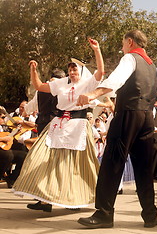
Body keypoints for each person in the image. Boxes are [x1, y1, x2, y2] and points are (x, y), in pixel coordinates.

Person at [77, 30, 157, 229]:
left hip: (128, 114)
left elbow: (117, 80)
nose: (122, 48)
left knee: (112, 162)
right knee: (144, 167)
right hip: (147, 117)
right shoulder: (152, 65)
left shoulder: (130, 58)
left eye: (123, 44)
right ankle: (150, 215)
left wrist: (93, 93)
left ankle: (104, 214)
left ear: (130, 42)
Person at [12, 38, 103, 212]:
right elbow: (38, 85)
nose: (72, 71)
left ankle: (76, 198)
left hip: (78, 126)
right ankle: (45, 198)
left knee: (76, 164)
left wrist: (96, 50)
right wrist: (33, 70)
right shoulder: (60, 83)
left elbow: (101, 71)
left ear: (81, 70)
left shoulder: (87, 82)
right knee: (39, 156)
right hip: (58, 124)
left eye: (74, 68)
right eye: (70, 69)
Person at [0, 107, 27, 188]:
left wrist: (15, 133)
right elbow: (4, 138)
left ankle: (12, 178)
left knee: (24, 155)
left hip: (2, 148)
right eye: (2, 117)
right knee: (8, 155)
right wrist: (2, 139)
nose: (4, 119)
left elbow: (8, 137)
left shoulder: (3, 127)